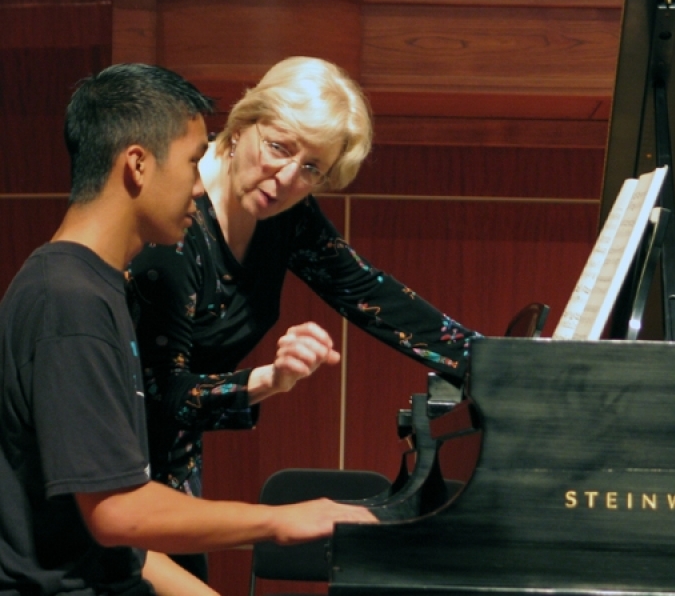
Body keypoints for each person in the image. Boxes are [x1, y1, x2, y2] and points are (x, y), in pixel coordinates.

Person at [0, 62, 376, 596]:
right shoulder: (68, 302)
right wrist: (283, 520)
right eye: (195, 161)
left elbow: (117, 533)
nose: (200, 187)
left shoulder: (97, 291)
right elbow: (119, 514)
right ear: (137, 164)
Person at [127, 55, 480, 579]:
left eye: (312, 168)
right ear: (243, 125)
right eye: (279, 147)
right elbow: (166, 394)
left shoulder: (281, 213)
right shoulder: (175, 230)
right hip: (114, 475)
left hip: (174, 469)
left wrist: (494, 361)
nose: (288, 177)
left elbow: (367, 291)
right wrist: (270, 379)